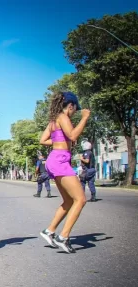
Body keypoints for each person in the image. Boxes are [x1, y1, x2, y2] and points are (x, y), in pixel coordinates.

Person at [38, 91, 90, 253]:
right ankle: (63, 237)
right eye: (75, 110)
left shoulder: (54, 120)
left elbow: (43, 140)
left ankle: (49, 231)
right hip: (60, 160)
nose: (75, 113)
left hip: (55, 160)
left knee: (69, 201)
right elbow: (73, 135)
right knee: (80, 199)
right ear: (71, 106)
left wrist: (60, 140)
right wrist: (84, 118)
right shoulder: (62, 117)